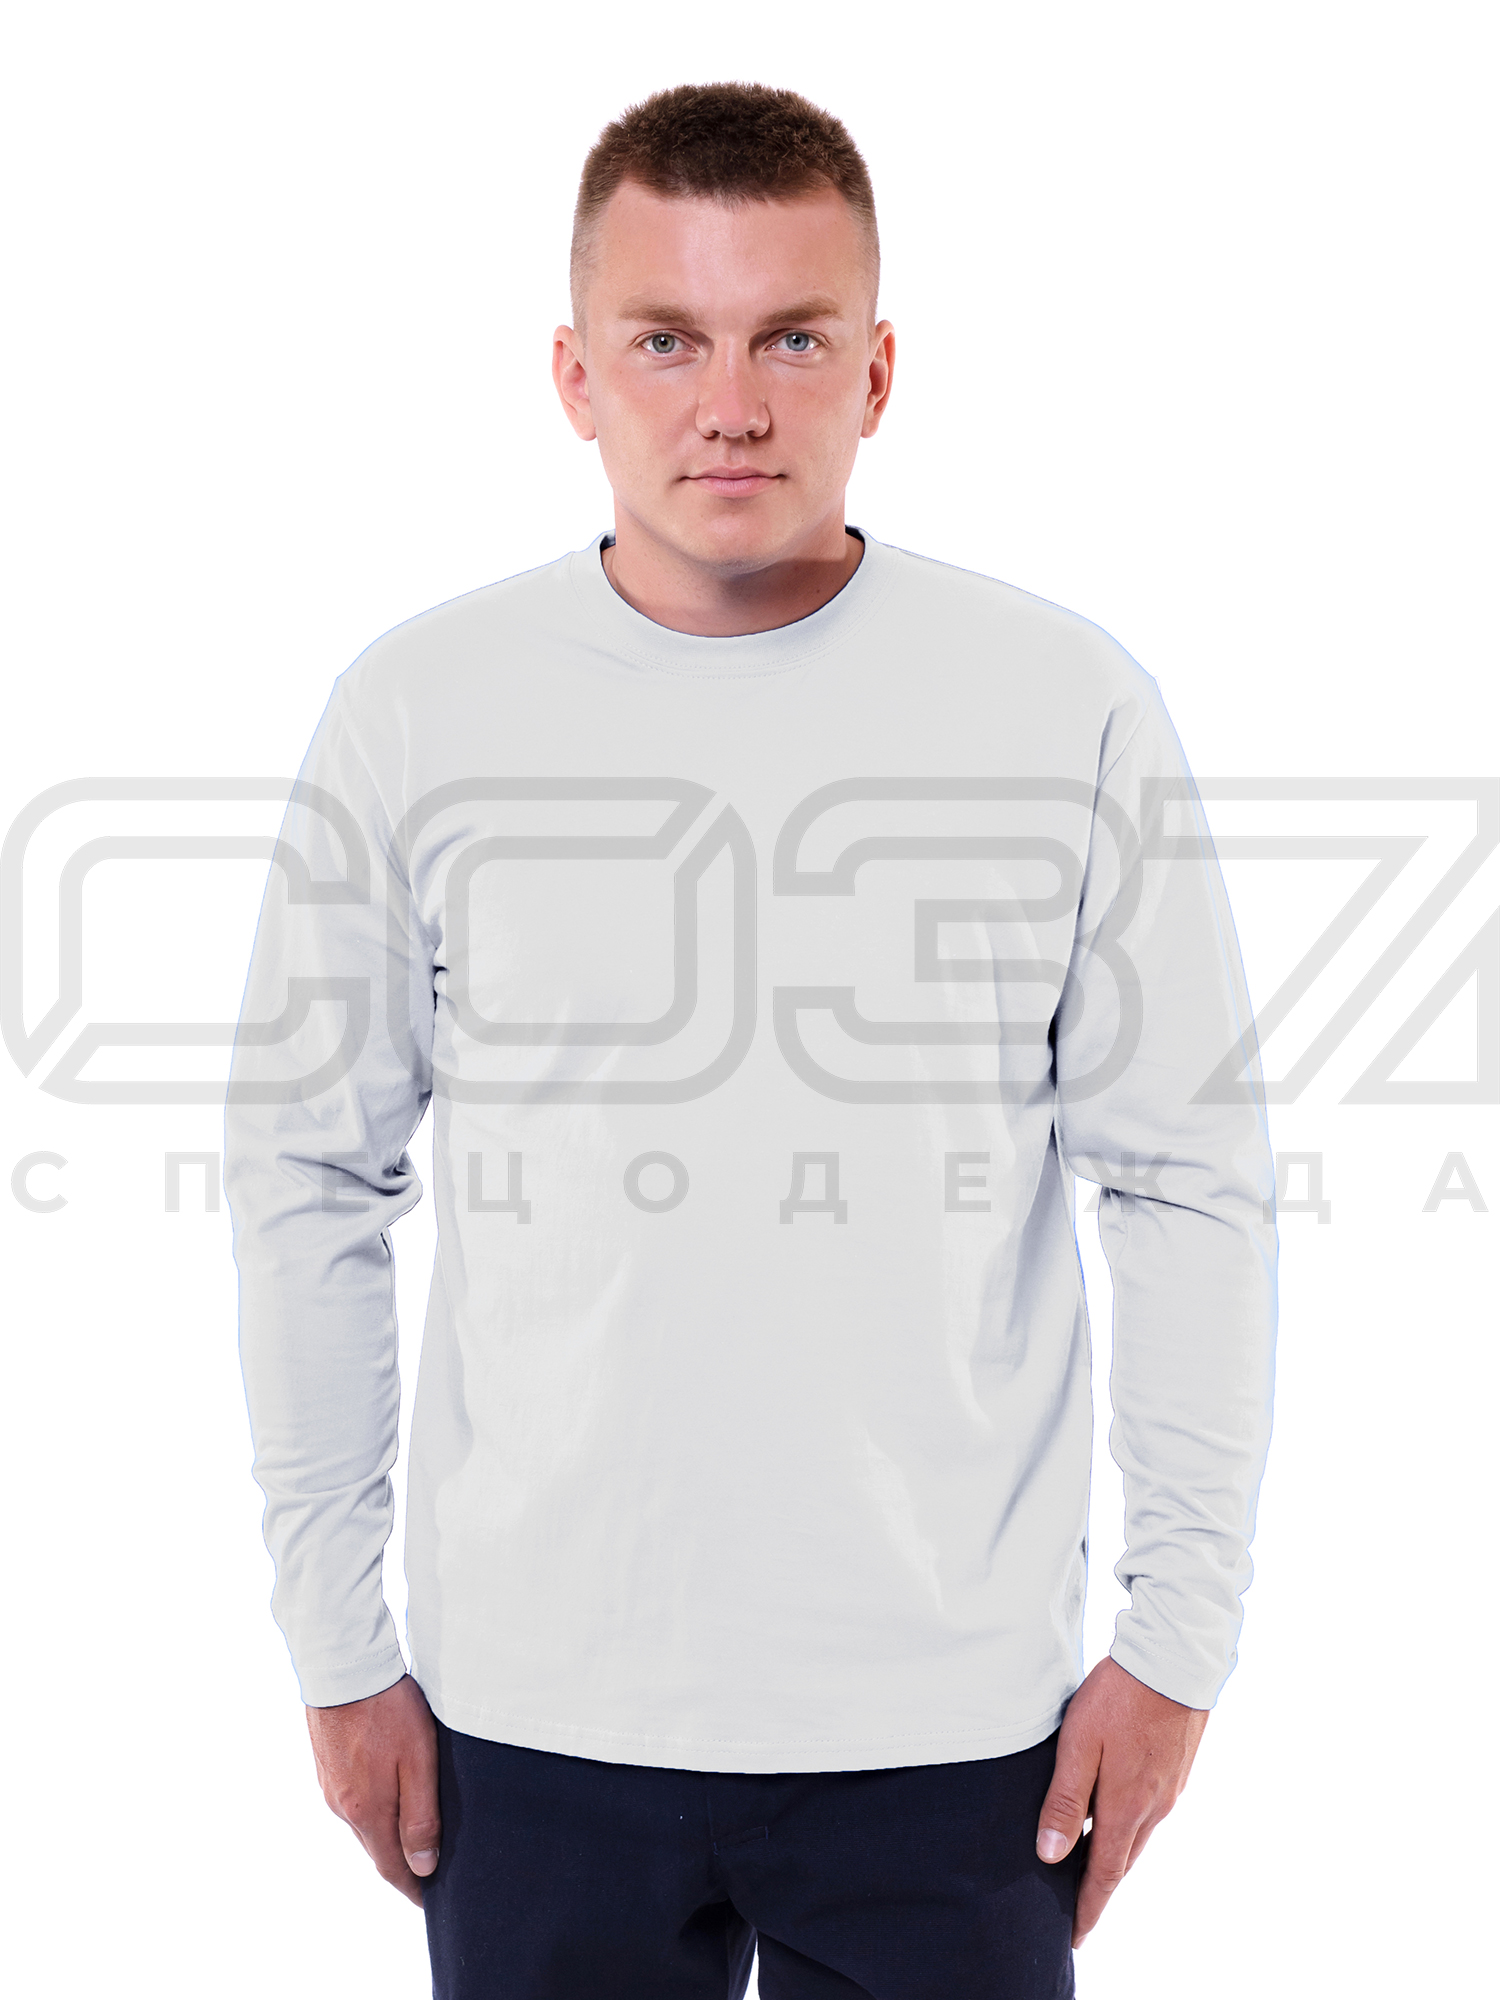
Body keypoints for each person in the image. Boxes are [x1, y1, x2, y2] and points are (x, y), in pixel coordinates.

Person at [224, 80, 1278, 2000]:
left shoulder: (1060, 705)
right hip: (534, 1719)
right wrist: (337, 1645)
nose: (730, 403)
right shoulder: (420, 710)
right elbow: (306, 1178)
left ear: (879, 372)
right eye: (667, 340)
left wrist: (1180, 1645)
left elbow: (1192, 1184)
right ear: (573, 375)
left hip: (954, 1727)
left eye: (792, 338)